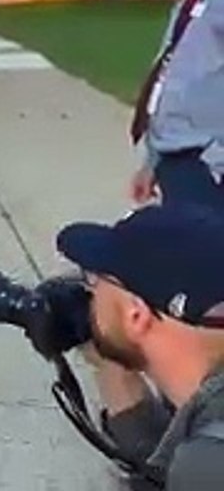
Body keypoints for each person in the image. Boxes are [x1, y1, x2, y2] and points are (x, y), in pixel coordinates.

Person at [55, 204, 224, 490]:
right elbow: (160, 473)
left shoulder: (207, 464)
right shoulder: (207, 432)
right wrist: (104, 358)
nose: (90, 291)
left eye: (97, 280)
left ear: (136, 314)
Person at [128, 0, 224, 216]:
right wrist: (155, 159)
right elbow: (175, 70)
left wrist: (214, 162)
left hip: (209, 170)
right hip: (180, 159)